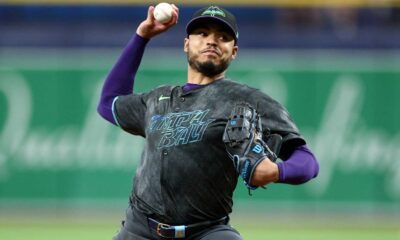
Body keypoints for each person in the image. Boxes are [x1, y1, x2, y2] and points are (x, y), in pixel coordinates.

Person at [97, 5, 319, 240]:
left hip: (206, 231)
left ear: (233, 51)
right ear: (186, 44)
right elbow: (108, 103)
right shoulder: (158, 99)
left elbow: (307, 161)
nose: (211, 41)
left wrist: (275, 171)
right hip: (140, 229)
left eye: (222, 37)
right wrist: (142, 36)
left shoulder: (249, 100)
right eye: (202, 34)